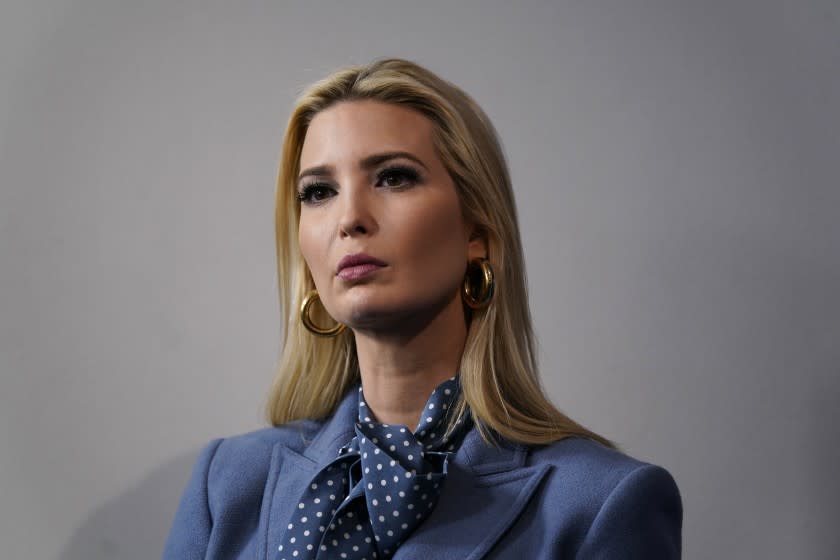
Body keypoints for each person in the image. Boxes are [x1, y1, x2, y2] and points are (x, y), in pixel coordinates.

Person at [163, 58, 682, 560]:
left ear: (476, 231)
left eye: (393, 178)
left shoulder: (602, 506)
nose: (350, 218)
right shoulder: (226, 484)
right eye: (319, 191)